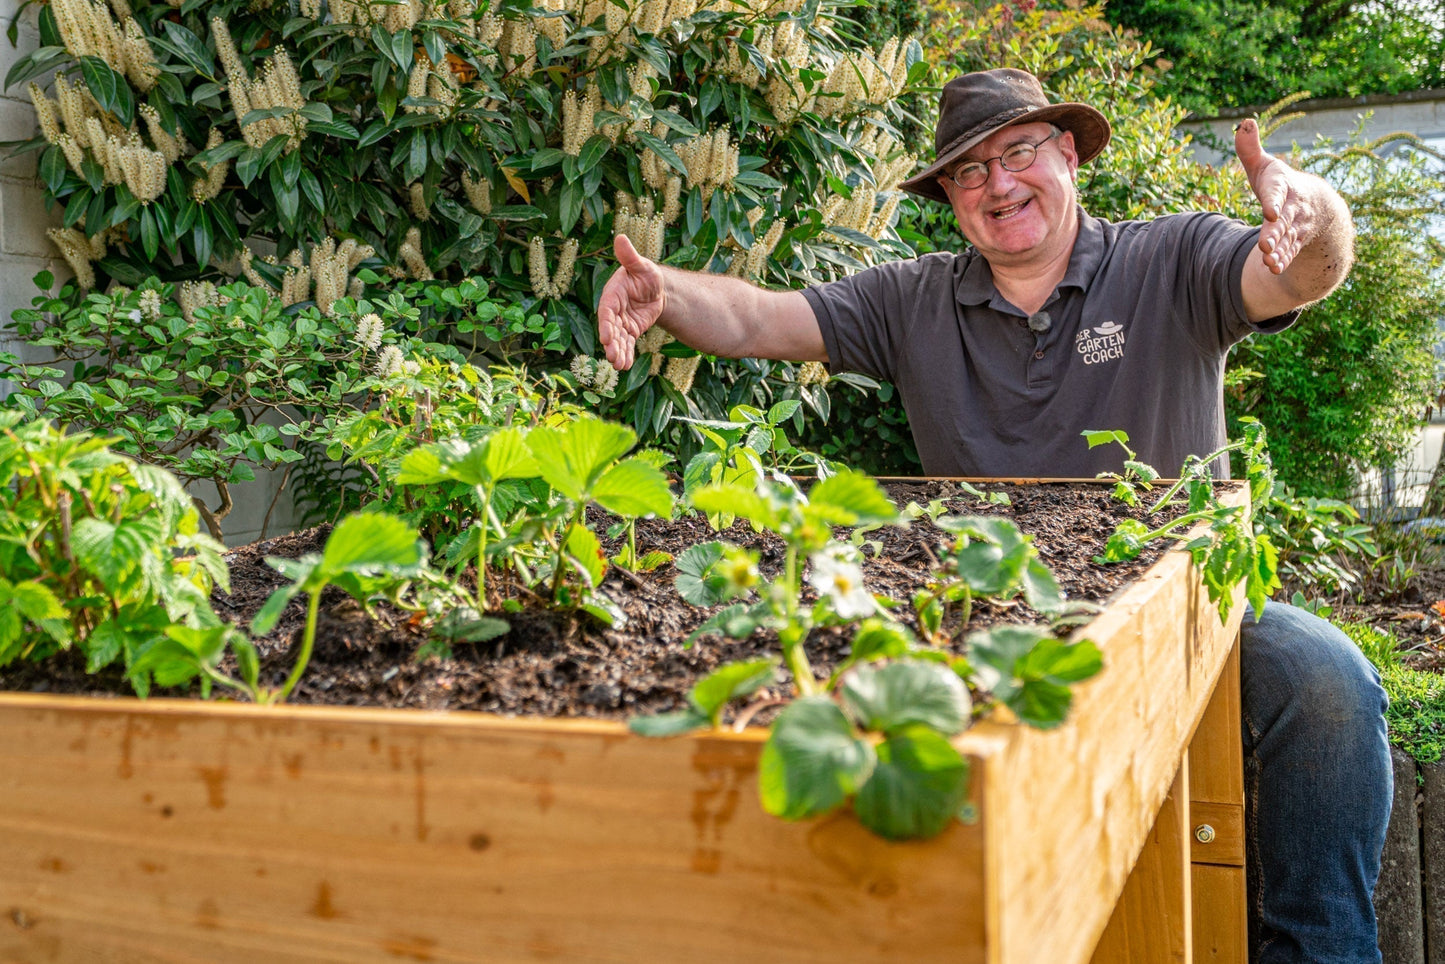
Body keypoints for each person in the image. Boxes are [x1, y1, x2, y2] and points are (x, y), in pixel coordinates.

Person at [597, 67, 1392, 963]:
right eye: (967, 173)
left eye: (1018, 153)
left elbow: (1301, 273)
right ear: (949, 198)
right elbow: (756, 320)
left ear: (1067, 155)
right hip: (979, 625)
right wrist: (662, 290)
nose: (997, 184)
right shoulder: (911, 300)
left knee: (1324, 680)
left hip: (1183, 617)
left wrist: (1308, 207)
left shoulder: (1172, 259)